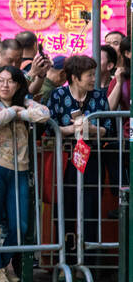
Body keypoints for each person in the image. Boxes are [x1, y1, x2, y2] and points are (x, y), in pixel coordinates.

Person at [0, 65, 49, 282]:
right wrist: (17, 112)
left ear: (18, 84)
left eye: (10, 81)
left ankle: (6, 262)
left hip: (20, 168)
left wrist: (19, 111)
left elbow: (44, 114)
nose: (4, 85)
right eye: (0, 80)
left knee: (21, 224)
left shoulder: (26, 102)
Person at [48, 55, 112, 254]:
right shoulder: (57, 95)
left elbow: (108, 127)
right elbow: (49, 128)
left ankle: (90, 258)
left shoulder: (99, 96)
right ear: (75, 77)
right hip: (66, 158)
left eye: (94, 74)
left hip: (92, 157)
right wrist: (70, 129)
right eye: (89, 75)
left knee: (91, 207)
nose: (94, 79)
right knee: (65, 207)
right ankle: (65, 256)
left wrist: (91, 129)